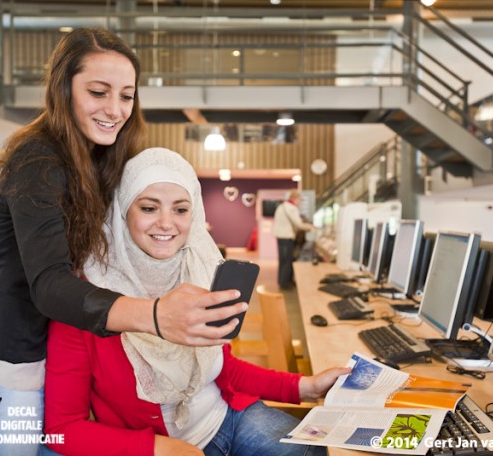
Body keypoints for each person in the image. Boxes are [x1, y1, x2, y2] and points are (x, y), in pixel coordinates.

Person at [0, 29, 244, 456]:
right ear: (63, 89)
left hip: (46, 369)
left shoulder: (98, 160)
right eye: (99, 92)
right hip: (0, 373)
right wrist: (157, 316)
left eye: (126, 96)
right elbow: (49, 285)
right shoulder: (37, 159)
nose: (115, 109)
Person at [43, 147, 349, 456]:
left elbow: (223, 368)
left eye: (180, 209)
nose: (167, 223)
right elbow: (60, 431)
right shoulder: (85, 302)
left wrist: (305, 387)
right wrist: (156, 448)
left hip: (229, 417)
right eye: (149, 208)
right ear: (122, 212)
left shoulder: (196, 272)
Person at [273, 189, 315, 289]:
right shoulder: (292, 208)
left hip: (280, 237)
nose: (300, 202)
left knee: (283, 261)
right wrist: (311, 227)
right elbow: (299, 224)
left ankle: (281, 281)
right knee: (288, 261)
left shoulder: (281, 206)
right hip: (287, 238)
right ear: (295, 198)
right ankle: (285, 284)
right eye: (300, 200)